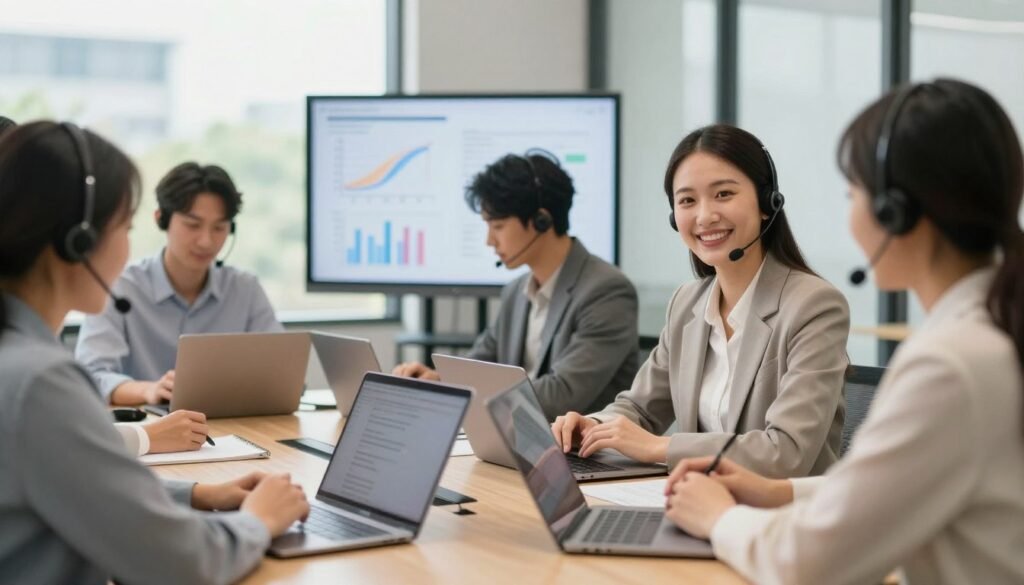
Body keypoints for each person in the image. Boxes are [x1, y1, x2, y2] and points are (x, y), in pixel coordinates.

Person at [665, 79, 1024, 584]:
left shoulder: (952, 365)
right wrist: (780, 493)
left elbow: (807, 563)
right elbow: (893, 487)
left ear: (893, 212)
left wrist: (717, 517)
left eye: (853, 194)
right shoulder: (989, 332)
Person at [0, 121, 309, 584]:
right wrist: (259, 520)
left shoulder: (18, 357)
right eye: (123, 227)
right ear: (77, 241)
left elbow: (85, 487)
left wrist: (197, 495)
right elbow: (182, 564)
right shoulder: (40, 382)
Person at [552, 125, 850, 477]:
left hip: (781, 517)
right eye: (687, 201)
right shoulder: (687, 303)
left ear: (768, 203)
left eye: (723, 194)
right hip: (697, 505)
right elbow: (640, 408)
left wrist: (660, 447)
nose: (705, 216)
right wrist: (593, 425)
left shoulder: (813, 306)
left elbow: (786, 451)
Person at [393, 150, 639, 420]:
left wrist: (466, 392)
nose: (490, 241)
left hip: (586, 455)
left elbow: (562, 395)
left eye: (497, 226)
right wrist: (439, 381)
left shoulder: (606, 291)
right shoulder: (516, 291)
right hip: (521, 441)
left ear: (541, 221)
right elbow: (475, 366)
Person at [76, 161, 282, 407]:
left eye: (219, 227)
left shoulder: (245, 289)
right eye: (192, 225)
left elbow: (281, 374)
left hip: (231, 429)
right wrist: (149, 391)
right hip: (149, 433)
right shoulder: (120, 287)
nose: (206, 241)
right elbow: (92, 376)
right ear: (161, 219)